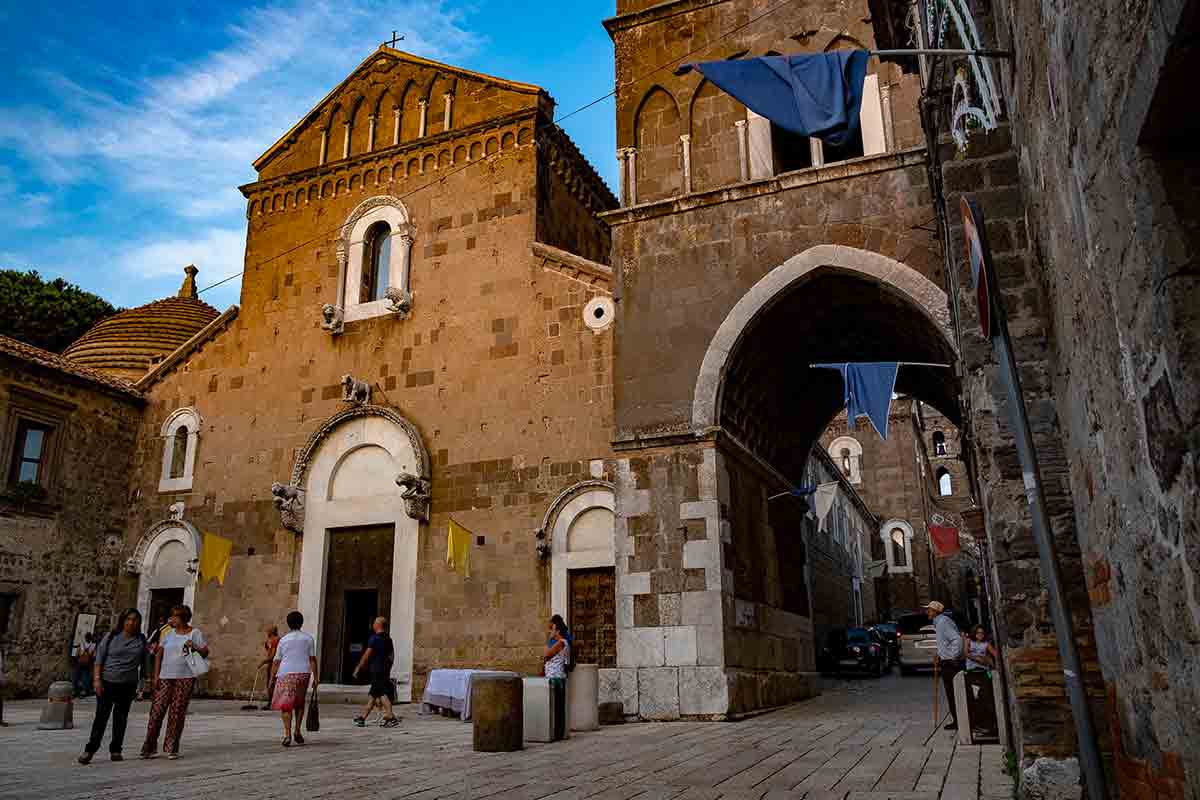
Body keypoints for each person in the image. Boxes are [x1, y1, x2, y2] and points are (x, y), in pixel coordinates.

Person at [78, 609, 147, 764]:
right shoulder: (111, 637)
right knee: (101, 718)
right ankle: (90, 749)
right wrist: (96, 680)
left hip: (128, 684)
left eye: (135, 619)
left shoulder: (141, 640)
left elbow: (144, 664)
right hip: (107, 682)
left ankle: (116, 749)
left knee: (121, 718)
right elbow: (99, 660)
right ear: (123, 620)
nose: (131, 622)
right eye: (128, 619)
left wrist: (142, 685)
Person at [140, 605, 208, 760]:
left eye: (175, 616)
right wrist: (156, 675)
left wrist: (195, 647)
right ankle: (149, 747)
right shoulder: (168, 634)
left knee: (177, 713)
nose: (172, 619)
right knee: (156, 712)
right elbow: (158, 655)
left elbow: (205, 652)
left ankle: (171, 747)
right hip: (165, 677)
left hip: (185, 677)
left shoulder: (194, 633)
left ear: (183, 618)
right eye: (172, 616)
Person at [269, 611, 318, 746]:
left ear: (288, 624)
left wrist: (272, 678)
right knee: (299, 703)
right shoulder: (308, 639)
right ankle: (297, 731)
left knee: (286, 705)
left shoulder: (283, 640)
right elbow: (313, 659)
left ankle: (287, 734)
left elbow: (276, 661)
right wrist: (316, 677)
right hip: (303, 673)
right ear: (301, 623)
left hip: (286, 674)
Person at [351, 616, 399, 728]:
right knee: (374, 694)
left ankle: (391, 717)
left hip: (376, 670)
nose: (373, 624)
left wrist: (358, 668)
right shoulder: (388, 639)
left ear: (378, 625)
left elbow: (366, 655)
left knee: (381, 693)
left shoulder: (374, 638)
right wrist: (388, 667)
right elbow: (391, 656)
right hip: (384, 669)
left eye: (374, 623)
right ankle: (363, 718)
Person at [926, 601, 964, 730]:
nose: (927, 612)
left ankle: (959, 721)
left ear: (936, 612)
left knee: (953, 692)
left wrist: (952, 656)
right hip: (946, 660)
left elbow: (956, 639)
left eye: (929, 610)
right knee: (951, 692)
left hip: (949, 663)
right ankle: (957, 720)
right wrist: (939, 653)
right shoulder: (940, 622)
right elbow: (946, 642)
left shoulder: (942, 622)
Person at [140, 615, 170, 701]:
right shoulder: (160, 630)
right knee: (151, 675)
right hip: (155, 654)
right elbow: (151, 641)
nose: (161, 623)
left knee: (153, 675)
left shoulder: (163, 629)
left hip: (159, 655)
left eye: (162, 621)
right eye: (160, 621)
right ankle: (149, 693)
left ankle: (153, 694)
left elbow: (151, 641)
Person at [260, 625, 281, 708]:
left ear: (271, 632)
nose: (267, 632)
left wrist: (262, 662)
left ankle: (270, 703)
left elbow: (272, 656)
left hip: (273, 664)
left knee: (271, 683)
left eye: (268, 631)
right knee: (274, 683)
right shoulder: (273, 640)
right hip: (274, 664)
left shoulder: (275, 640)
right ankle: (274, 702)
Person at [74, 632, 96, 698]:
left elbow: (76, 654)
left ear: (85, 637)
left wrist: (79, 657)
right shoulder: (93, 645)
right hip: (88, 664)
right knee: (86, 677)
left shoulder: (81, 644)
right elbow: (94, 656)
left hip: (80, 663)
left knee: (76, 676)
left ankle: (76, 691)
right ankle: (83, 691)